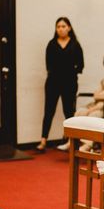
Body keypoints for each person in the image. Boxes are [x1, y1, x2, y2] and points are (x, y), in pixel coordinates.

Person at [37, 17, 84, 152]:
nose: (61, 29)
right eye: (58, 26)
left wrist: (70, 72)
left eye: (63, 26)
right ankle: (43, 141)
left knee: (68, 111)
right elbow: (48, 64)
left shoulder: (75, 44)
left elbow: (81, 65)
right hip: (53, 82)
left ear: (69, 28)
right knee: (48, 111)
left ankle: (71, 141)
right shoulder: (51, 44)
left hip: (69, 83)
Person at [76, 52, 104, 153]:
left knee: (93, 115)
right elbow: (96, 95)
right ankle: (73, 141)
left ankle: (87, 145)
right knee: (80, 112)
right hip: (98, 104)